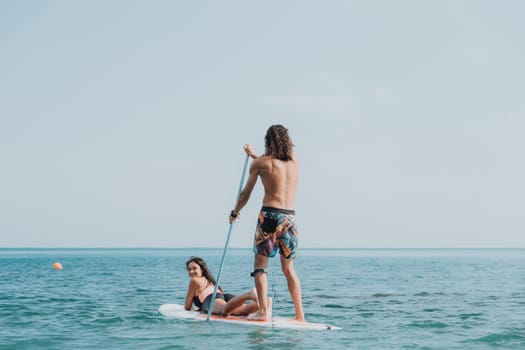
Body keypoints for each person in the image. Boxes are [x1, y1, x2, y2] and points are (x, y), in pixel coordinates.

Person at [228, 124, 305, 322]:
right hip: (290, 218)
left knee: (260, 266)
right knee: (289, 268)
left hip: (270, 217)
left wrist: (235, 213)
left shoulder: (261, 164)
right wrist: (255, 156)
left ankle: (263, 312)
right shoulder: (295, 162)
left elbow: (245, 194)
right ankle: (300, 315)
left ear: (268, 141)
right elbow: (273, 167)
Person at [184, 256, 261, 316]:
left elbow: (187, 307)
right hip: (224, 297)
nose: (191, 271)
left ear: (202, 269)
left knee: (224, 310)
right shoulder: (210, 280)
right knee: (240, 311)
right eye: (189, 269)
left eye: (194, 268)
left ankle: (248, 295)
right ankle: (265, 302)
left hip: (212, 299)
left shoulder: (194, 280)